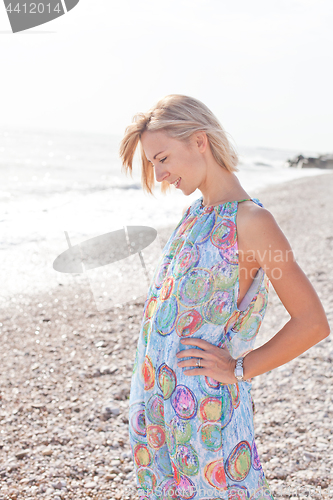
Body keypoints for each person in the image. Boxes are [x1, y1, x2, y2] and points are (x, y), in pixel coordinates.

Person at [118, 94, 330, 500]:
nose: (159, 174)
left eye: (162, 158)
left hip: (207, 420)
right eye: (152, 164)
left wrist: (238, 369)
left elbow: (312, 322)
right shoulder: (194, 215)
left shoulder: (254, 222)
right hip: (161, 415)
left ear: (200, 141)